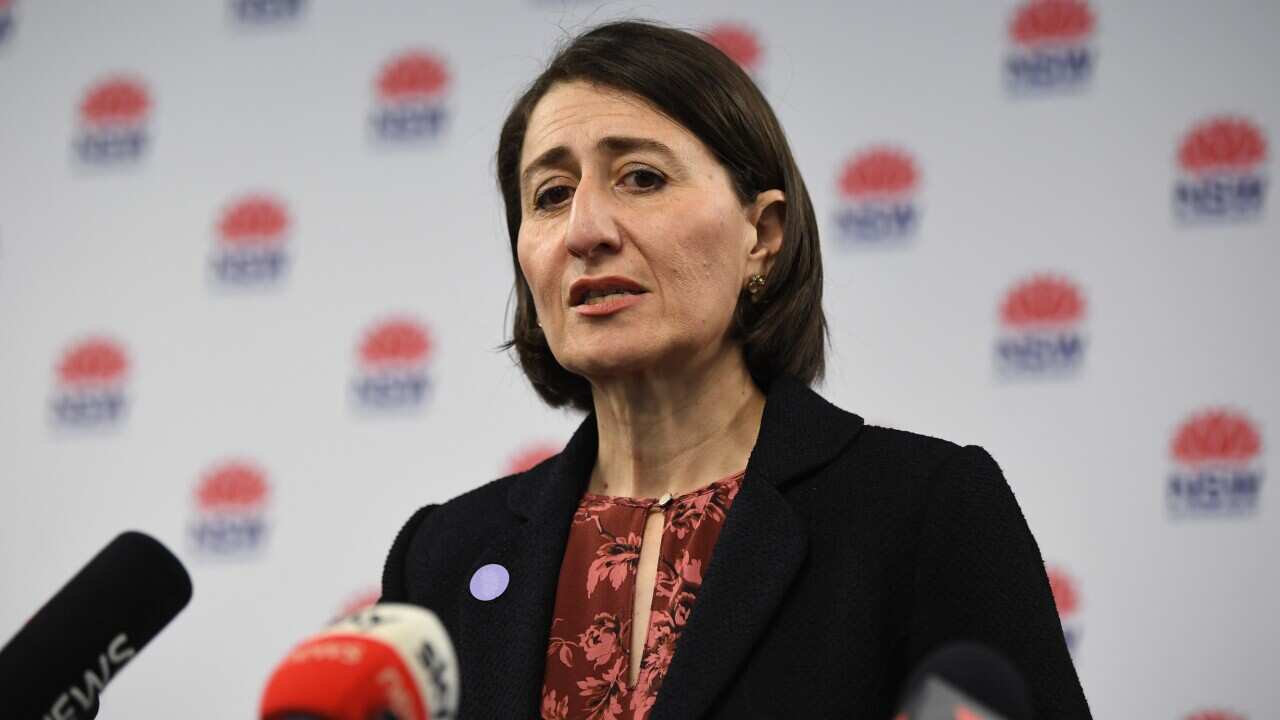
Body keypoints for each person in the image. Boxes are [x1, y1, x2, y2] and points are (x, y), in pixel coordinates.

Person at [381, 20, 1091, 720]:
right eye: (551, 195)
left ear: (763, 235)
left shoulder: (924, 512)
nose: (585, 231)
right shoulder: (442, 558)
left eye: (641, 177)